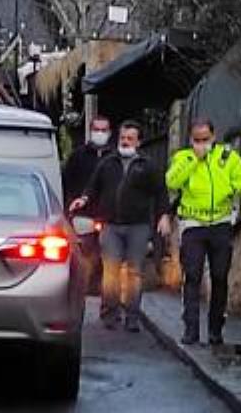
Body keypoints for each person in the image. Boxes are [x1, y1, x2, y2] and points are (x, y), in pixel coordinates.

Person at [69, 120, 171, 332]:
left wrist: (163, 216)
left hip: (138, 226)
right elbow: (93, 186)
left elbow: (160, 192)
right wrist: (84, 199)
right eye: (123, 138)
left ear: (139, 142)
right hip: (111, 225)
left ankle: (132, 317)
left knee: (135, 273)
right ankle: (110, 314)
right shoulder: (108, 163)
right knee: (111, 271)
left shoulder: (148, 166)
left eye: (130, 139)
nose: (125, 142)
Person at [165, 118, 241, 346]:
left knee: (220, 276)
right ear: (190, 140)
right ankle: (191, 329)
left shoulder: (228, 158)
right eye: (197, 140)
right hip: (193, 224)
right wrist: (194, 160)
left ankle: (216, 329)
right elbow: (172, 181)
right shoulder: (183, 158)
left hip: (221, 223)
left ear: (213, 137)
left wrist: (231, 187)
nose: (201, 144)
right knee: (192, 276)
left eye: (205, 139)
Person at [62, 114, 114, 294]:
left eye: (103, 130)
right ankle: (83, 288)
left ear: (110, 132)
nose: (100, 133)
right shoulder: (78, 156)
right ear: (90, 131)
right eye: (96, 130)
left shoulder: (115, 157)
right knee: (85, 254)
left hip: (109, 215)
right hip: (83, 214)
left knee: (109, 256)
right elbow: (67, 182)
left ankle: (105, 290)